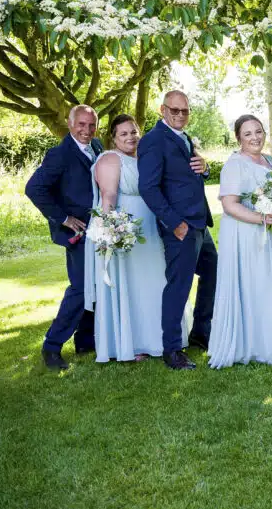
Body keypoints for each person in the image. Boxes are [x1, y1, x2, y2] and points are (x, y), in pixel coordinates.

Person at [86, 115, 187, 362]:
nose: (131, 137)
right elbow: (108, 197)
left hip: (151, 227)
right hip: (125, 228)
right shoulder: (110, 159)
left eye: (134, 132)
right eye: (124, 134)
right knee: (130, 286)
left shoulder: (143, 157)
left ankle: (161, 339)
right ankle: (133, 344)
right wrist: (110, 232)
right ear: (113, 137)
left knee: (156, 281)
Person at [208, 115, 272, 368]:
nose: (255, 138)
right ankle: (258, 344)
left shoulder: (270, 160)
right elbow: (229, 205)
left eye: (259, 132)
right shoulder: (235, 164)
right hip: (250, 236)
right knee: (258, 284)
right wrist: (260, 218)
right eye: (248, 133)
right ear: (238, 137)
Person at [138, 90, 218, 370]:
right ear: (162, 110)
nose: (181, 115)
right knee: (179, 287)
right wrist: (174, 223)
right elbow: (148, 187)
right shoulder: (152, 141)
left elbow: (188, 173)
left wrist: (205, 168)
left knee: (213, 273)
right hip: (180, 227)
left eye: (185, 111)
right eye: (175, 110)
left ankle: (201, 332)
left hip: (200, 222)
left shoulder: (183, 137)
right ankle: (172, 350)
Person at [26, 105, 103, 369]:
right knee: (81, 288)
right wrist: (64, 218)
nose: (86, 130)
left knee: (96, 286)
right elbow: (34, 188)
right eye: (81, 125)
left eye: (91, 125)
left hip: (101, 230)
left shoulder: (98, 147)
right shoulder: (59, 154)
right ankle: (52, 346)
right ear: (70, 125)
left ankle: (85, 341)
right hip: (79, 233)